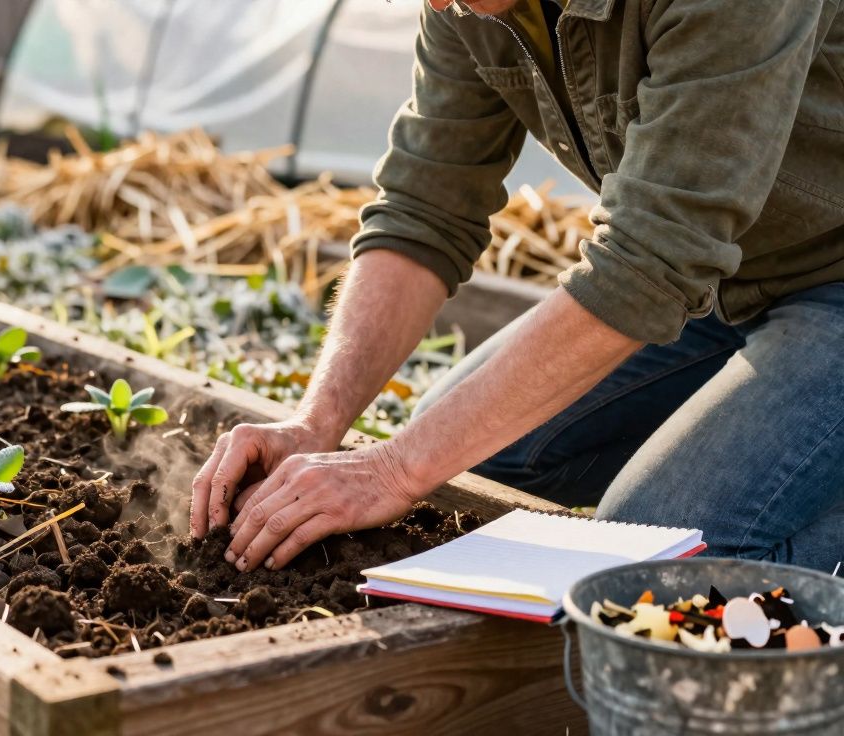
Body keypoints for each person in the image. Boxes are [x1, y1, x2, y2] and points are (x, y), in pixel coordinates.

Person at [191, 0, 844, 574]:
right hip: (724, 280)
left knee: (654, 558)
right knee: (471, 459)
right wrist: (315, 424)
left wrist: (393, 469)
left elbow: (650, 259)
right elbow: (424, 207)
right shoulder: (465, 7)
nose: (437, 5)